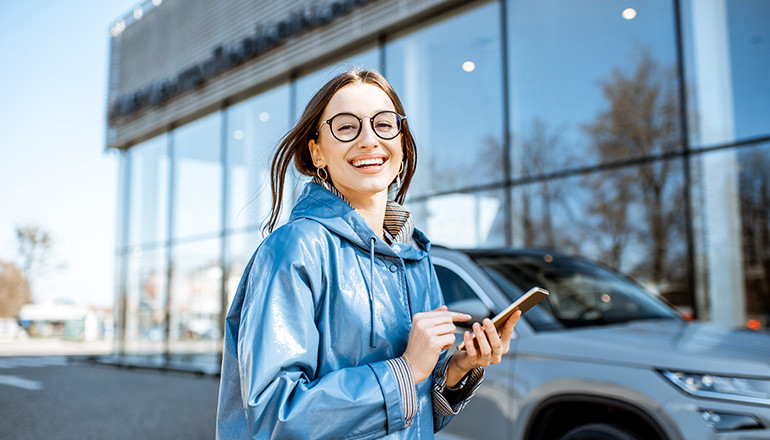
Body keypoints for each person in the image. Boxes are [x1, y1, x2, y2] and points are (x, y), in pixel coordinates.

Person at [215, 69, 521, 439]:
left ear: (402, 143)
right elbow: (275, 416)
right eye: (346, 127)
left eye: (384, 124)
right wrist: (405, 371)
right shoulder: (294, 249)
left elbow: (415, 416)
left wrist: (456, 368)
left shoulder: (415, 257)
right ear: (317, 152)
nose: (368, 140)